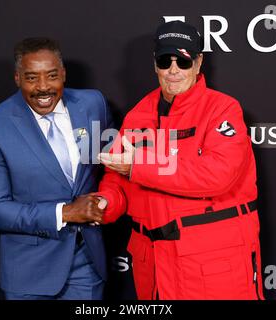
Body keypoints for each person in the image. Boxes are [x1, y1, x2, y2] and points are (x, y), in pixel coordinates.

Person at [97, 20, 264, 300]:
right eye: (165, 61)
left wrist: (140, 166)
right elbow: (117, 176)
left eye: (183, 62)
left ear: (198, 64)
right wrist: (105, 203)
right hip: (153, 266)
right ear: (155, 65)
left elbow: (216, 176)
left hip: (212, 266)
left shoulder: (223, 109)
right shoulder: (138, 113)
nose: (173, 70)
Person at [0, 37, 113, 299]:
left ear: (63, 74)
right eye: (31, 78)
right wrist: (65, 213)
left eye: (51, 76)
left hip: (87, 265)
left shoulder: (93, 105)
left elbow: (111, 164)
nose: (43, 87)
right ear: (17, 78)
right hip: (29, 273)